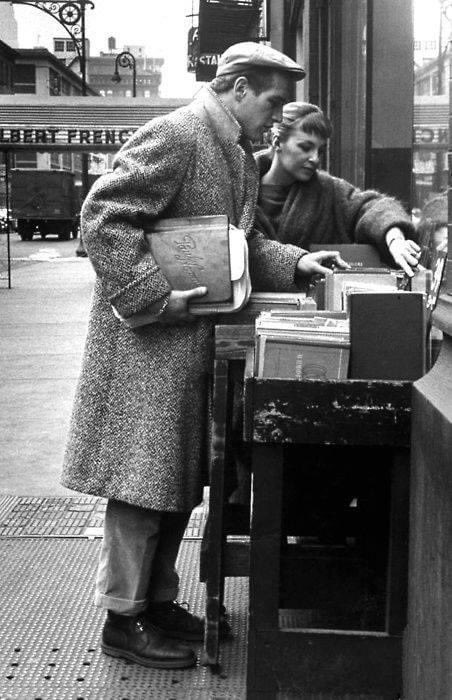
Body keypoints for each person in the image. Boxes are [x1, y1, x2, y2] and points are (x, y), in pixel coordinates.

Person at [61, 44, 346, 671]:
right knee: (141, 485)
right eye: (271, 102)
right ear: (239, 89)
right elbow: (103, 216)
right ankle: (123, 619)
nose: (276, 119)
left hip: (180, 346)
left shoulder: (234, 151)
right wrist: (155, 297)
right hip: (147, 347)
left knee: (172, 482)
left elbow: (245, 243)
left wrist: (297, 261)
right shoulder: (183, 134)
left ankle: (155, 603)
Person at [251, 101, 421, 292]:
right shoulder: (241, 189)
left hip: (314, 313)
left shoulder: (328, 190)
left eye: (320, 151)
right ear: (276, 142)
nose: (315, 158)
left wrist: (395, 239)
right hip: (245, 310)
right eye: (305, 147)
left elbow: (373, 207)